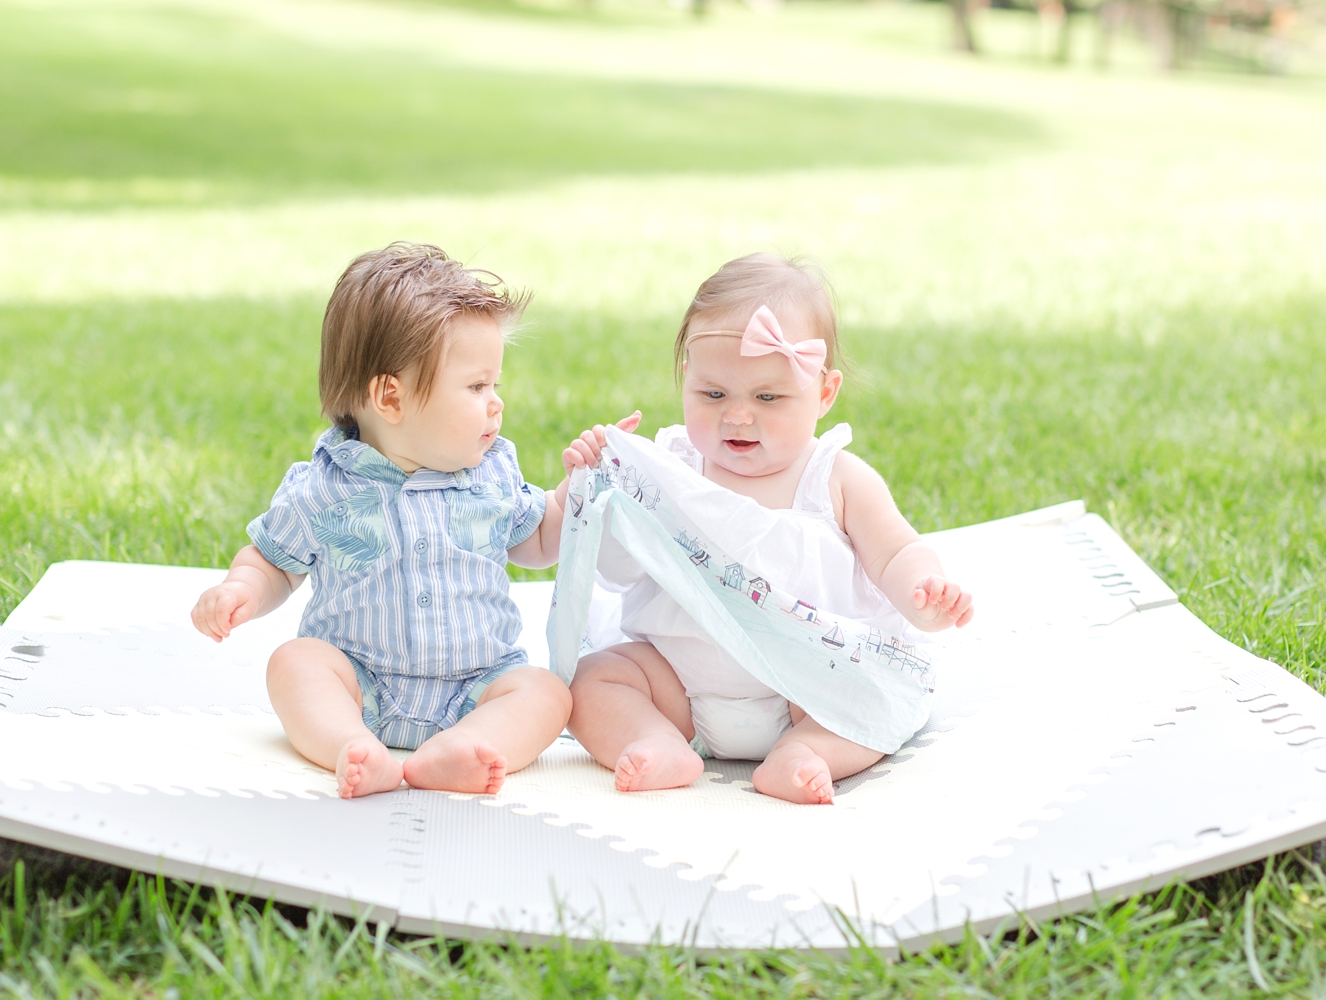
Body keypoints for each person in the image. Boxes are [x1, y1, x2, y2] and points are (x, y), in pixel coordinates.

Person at [562, 253, 975, 805]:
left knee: (875, 701)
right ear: (688, 377)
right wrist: (599, 491)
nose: (737, 416)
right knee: (594, 680)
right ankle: (653, 740)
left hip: (806, 687)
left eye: (768, 397)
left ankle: (805, 753)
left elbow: (896, 551)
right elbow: (616, 568)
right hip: (677, 682)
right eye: (714, 394)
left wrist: (923, 591)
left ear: (824, 394)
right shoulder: (671, 470)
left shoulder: (835, 477)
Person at [191, 243, 572, 799]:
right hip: (359, 680)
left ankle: (462, 747)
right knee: (295, 664)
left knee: (547, 692)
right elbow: (274, 561)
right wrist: (241, 589)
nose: (497, 404)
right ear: (390, 398)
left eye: (494, 385)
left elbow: (539, 538)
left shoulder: (490, 475)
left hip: (477, 683)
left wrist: (577, 489)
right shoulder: (326, 486)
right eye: (476, 386)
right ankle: (351, 744)